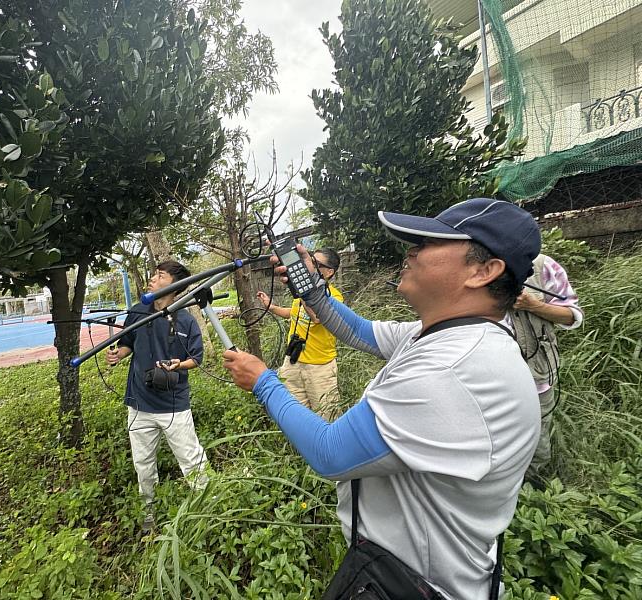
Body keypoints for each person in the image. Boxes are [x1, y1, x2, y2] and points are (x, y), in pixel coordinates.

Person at [223, 198, 542, 600]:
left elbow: (331, 453)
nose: (411, 251)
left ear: (484, 271)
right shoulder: (448, 333)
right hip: (399, 569)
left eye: (428, 243)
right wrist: (315, 291)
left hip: (416, 585)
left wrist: (263, 383)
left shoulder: (451, 369)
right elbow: (359, 331)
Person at [107, 260, 210, 534]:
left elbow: (196, 359)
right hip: (139, 403)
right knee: (143, 463)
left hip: (174, 405)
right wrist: (119, 354)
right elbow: (128, 343)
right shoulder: (138, 311)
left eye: (159, 275)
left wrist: (178, 365)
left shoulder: (186, 320)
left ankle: (209, 508)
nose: (152, 278)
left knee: (191, 459)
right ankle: (148, 514)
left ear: (175, 285)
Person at [510, 254, 582, 480]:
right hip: (487, 385)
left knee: (537, 447)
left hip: (537, 380)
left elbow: (572, 316)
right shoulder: (468, 266)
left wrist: (534, 305)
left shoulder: (542, 266)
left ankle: (534, 494)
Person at [256, 248, 344, 420]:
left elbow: (317, 317)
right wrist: (271, 306)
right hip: (292, 363)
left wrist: (303, 289)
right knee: (296, 416)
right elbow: (294, 312)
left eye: (318, 264)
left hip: (319, 368)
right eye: (311, 260)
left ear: (329, 272)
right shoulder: (303, 295)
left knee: (327, 419)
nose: (310, 265)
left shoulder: (334, 297)